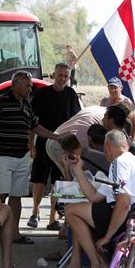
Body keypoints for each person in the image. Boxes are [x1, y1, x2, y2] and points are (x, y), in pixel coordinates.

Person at [50, 130, 135, 268]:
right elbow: (94, 196)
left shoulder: (119, 163)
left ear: (107, 146)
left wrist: (107, 237)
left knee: (71, 211)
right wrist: (78, 170)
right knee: (79, 214)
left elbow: (124, 202)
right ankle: (87, 265)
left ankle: (98, 265)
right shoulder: (128, 160)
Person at [0, 70, 60, 244]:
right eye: (28, 86)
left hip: (22, 156)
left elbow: (35, 127)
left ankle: (14, 233)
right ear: (16, 84)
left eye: (31, 86)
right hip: (3, 155)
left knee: (17, 197)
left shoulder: (26, 104)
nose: (30, 90)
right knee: (0, 196)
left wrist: (55, 136)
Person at [27, 62, 81, 231]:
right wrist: (31, 144)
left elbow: (77, 121)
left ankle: (54, 217)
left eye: (66, 76)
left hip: (63, 146)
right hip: (43, 142)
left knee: (61, 181)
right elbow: (31, 122)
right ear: (53, 75)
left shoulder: (72, 95)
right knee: (39, 179)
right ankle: (35, 213)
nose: (63, 79)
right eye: (60, 75)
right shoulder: (41, 94)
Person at [45, 105, 107, 175]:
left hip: (55, 137)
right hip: (61, 141)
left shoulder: (97, 108)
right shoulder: (84, 142)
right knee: (75, 176)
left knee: (72, 175)